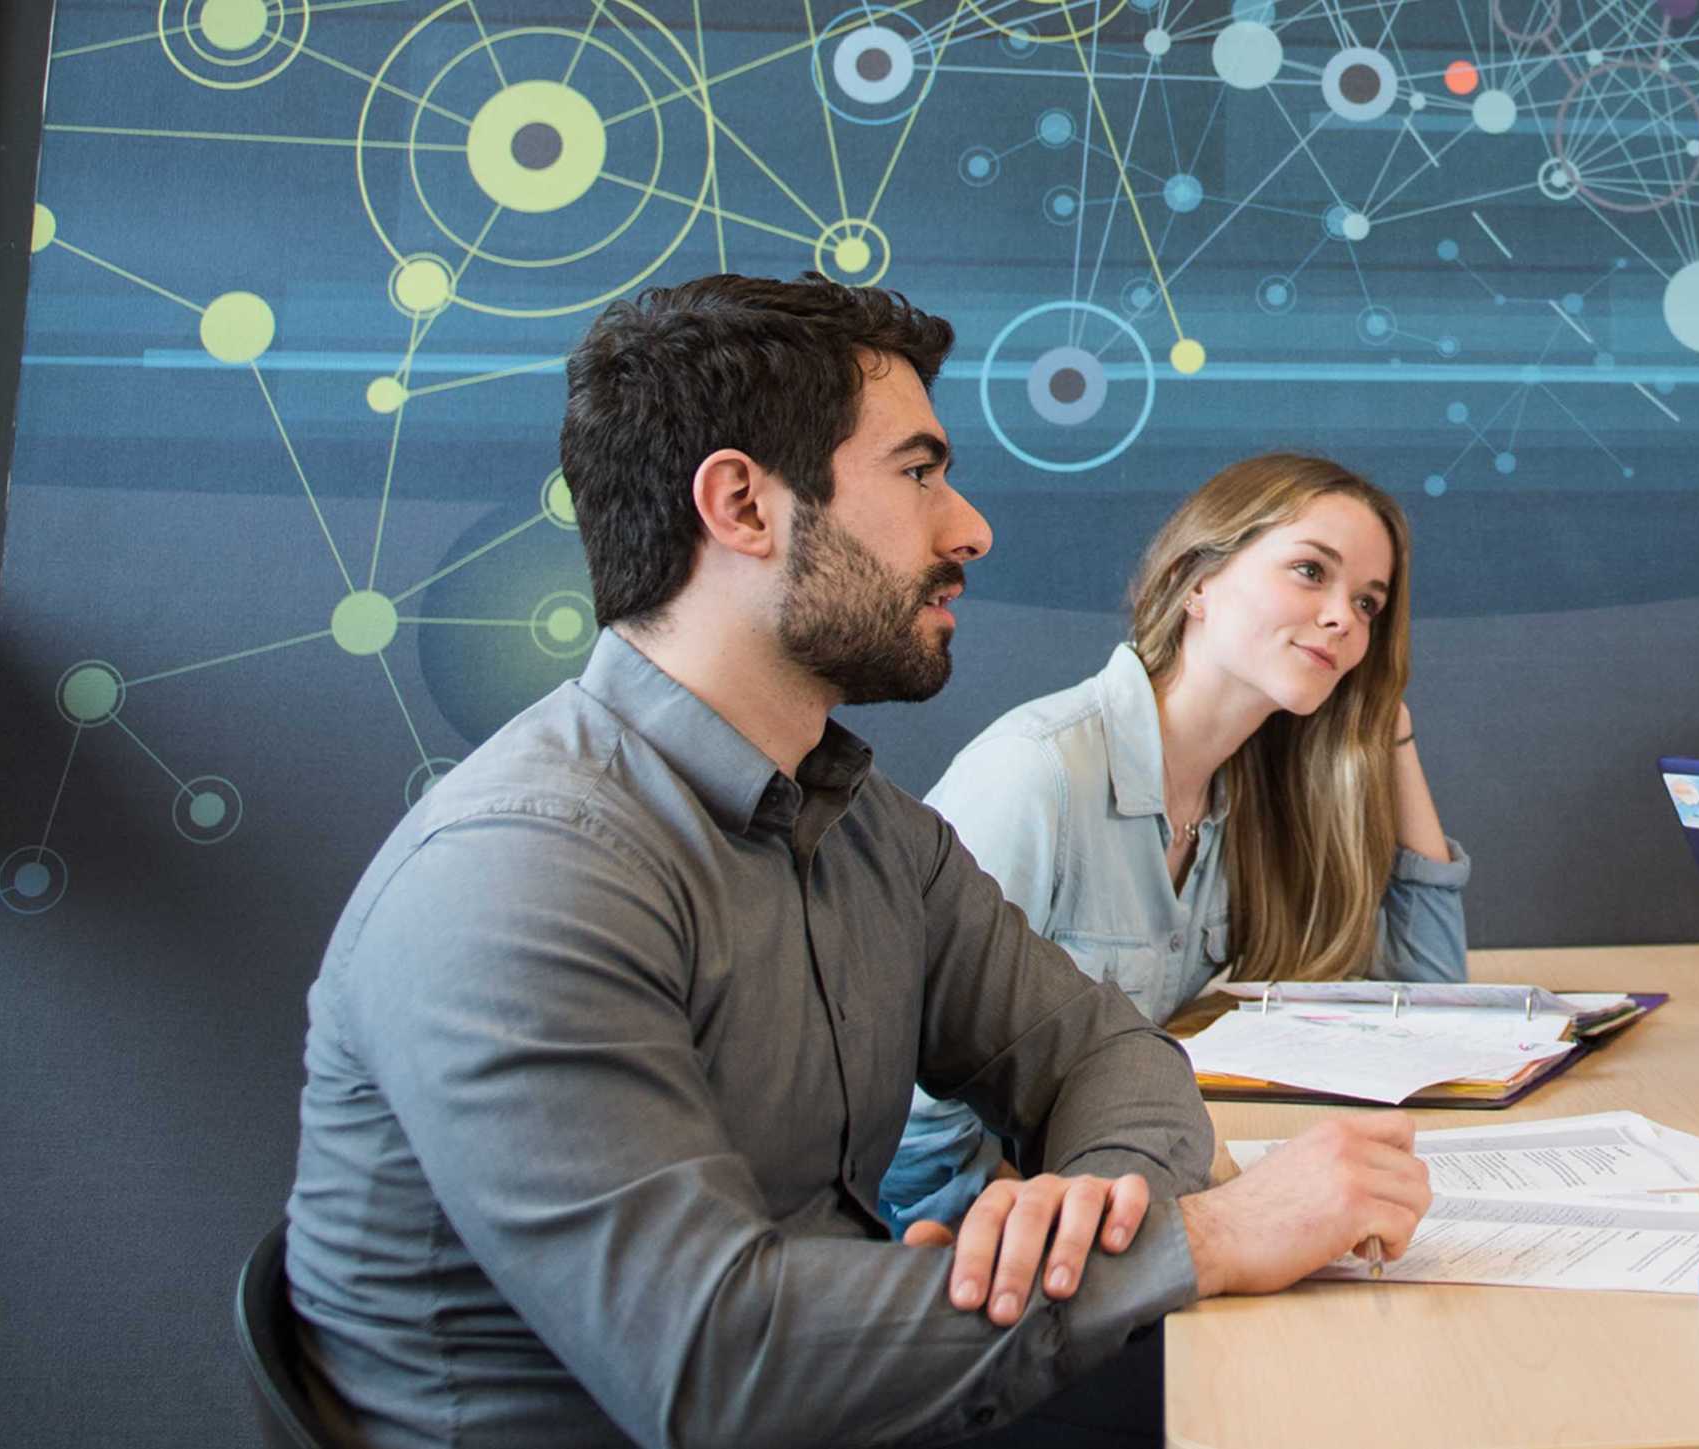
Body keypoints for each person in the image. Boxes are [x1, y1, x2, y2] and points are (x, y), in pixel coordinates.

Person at [285, 274, 1435, 1449]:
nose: (970, 527)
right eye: (919, 472)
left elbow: (1108, 1052)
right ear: (741, 504)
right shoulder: (522, 877)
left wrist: (1086, 1210)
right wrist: (1209, 1238)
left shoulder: (866, 827)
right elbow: (720, 1368)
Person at [882, 453, 1469, 1227]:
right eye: (1308, 571)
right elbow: (906, 1113)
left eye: (1367, 603)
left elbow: (1431, 996)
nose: (1342, 618)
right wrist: (1050, 1242)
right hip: (981, 1253)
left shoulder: (1253, 799)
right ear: (1196, 580)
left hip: (1129, 1211)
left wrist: (1386, 723)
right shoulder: (1035, 774)